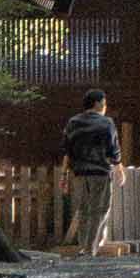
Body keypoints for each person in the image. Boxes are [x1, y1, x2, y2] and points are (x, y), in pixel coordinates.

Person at [60, 88, 122, 255]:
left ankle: (84, 246)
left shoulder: (73, 122)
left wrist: (63, 176)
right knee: (100, 209)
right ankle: (91, 248)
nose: (105, 106)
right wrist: (119, 169)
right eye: (104, 103)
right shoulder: (107, 123)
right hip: (100, 173)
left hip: (78, 174)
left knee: (83, 209)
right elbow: (113, 150)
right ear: (97, 103)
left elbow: (67, 151)